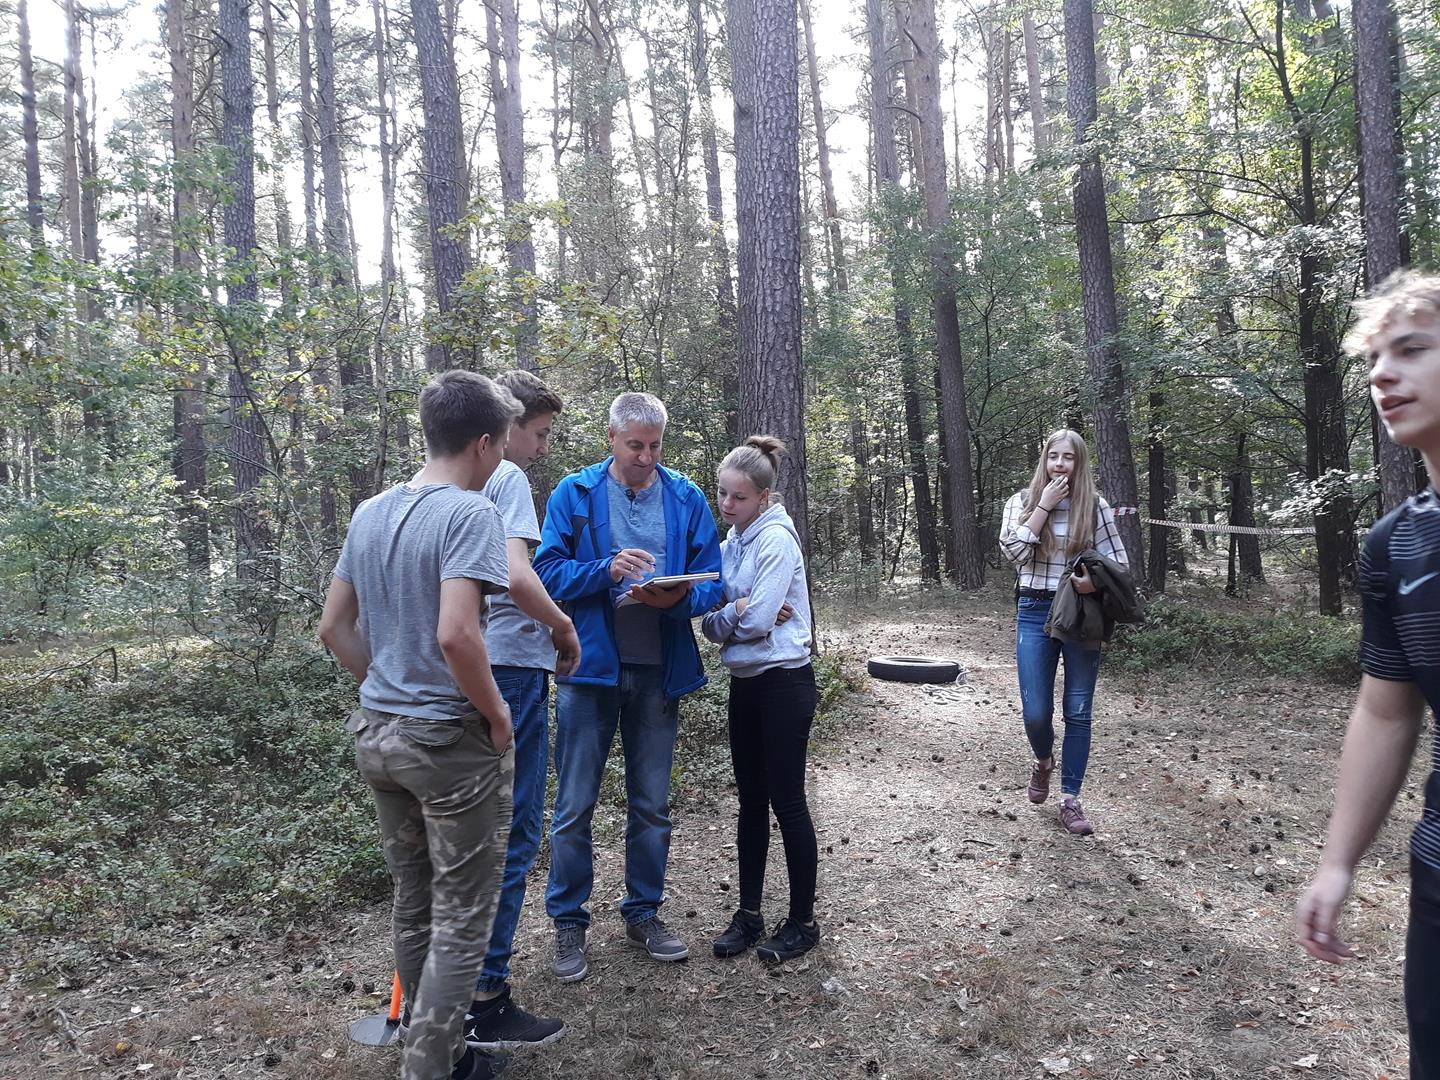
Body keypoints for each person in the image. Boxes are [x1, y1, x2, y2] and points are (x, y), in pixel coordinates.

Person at [319, 370, 518, 1080]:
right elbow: (457, 635)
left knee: (416, 900)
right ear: (484, 442)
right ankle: (431, 1067)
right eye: (503, 444)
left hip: (379, 737)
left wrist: (385, 685)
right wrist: (496, 714)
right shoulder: (470, 514)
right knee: (462, 915)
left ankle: (440, 1048)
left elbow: (333, 627)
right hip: (445, 744)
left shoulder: (370, 512)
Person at [1296, 270, 1440, 1080]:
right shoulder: (1396, 546)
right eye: (1375, 359)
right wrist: (1337, 863)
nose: (1382, 374)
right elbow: (1387, 713)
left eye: (1412, 350)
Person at [533, 391, 724, 981]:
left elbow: (714, 582)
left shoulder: (685, 496)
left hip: (658, 670)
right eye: (635, 445)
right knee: (574, 806)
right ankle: (569, 923)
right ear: (612, 439)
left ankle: (643, 913)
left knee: (652, 805)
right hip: (588, 671)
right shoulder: (575, 493)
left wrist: (675, 598)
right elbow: (544, 573)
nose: (645, 457)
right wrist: (606, 570)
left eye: (655, 446)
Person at [463, 370, 580, 1049]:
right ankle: (486, 995)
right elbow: (514, 575)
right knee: (514, 830)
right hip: (510, 669)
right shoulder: (504, 476)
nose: (542, 448)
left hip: (473, 668)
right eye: (539, 433)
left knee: (472, 834)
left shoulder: (440, 485)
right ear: (506, 428)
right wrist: (562, 626)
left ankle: (448, 990)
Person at [701, 436, 820, 963]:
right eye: (722, 493)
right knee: (750, 800)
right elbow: (710, 619)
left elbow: (753, 620)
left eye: (739, 497)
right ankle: (749, 915)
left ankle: (803, 923)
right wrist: (736, 613)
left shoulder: (776, 541)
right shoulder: (731, 543)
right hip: (746, 683)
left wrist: (738, 617)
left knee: (787, 802)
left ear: (764, 497)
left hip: (785, 683)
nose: (727, 504)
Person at [998, 428, 1128, 836]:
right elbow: (1014, 554)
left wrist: (1094, 585)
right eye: (1054, 456)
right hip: (1034, 609)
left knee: (1079, 709)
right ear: (1045, 459)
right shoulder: (1020, 501)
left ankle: (1070, 800)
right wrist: (1043, 506)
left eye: (1068, 457)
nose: (1060, 464)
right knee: (1036, 711)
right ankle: (1043, 761)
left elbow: (1119, 563)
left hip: (1081, 612)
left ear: (1079, 462)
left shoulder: (1096, 505)